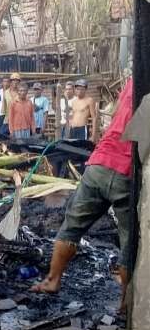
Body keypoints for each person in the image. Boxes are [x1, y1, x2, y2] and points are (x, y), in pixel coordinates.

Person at [31, 79, 134, 312]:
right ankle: (126, 305)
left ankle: (52, 280)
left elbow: (118, 113)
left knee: (72, 225)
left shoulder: (132, 82)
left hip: (100, 163)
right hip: (128, 172)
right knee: (130, 242)